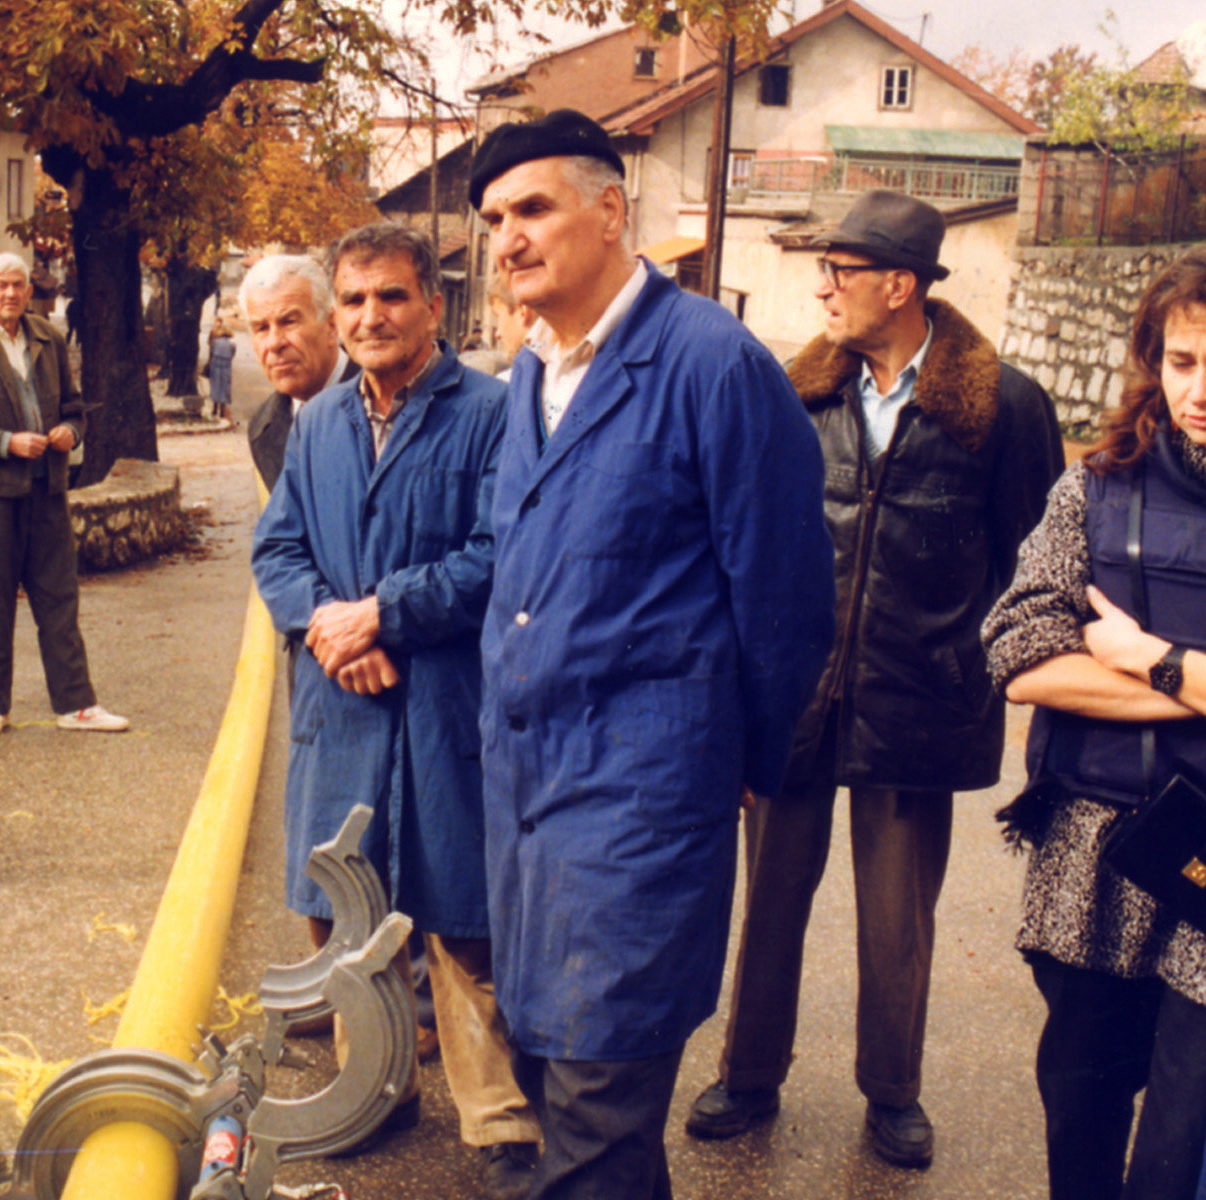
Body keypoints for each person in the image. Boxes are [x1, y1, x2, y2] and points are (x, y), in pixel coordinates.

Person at [471, 109, 835, 1200]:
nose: (508, 238)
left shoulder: (714, 367)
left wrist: (719, 765)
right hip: (529, 808)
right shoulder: (530, 378)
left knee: (597, 1109)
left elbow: (786, 608)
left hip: (638, 809)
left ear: (610, 209)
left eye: (532, 208)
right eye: (494, 217)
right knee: (547, 1072)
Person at [685, 190, 1064, 1167]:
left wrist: (990, 674)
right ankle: (748, 1074)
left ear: (899, 287)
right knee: (768, 897)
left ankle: (893, 1092)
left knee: (900, 918)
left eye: (840, 273)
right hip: (796, 691)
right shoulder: (792, 392)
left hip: (924, 695)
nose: (822, 289)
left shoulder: (1006, 406)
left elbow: (1037, 563)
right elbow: (748, 544)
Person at [252, 223, 540, 1200]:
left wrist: (385, 615)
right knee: (348, 917)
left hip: (447, 707)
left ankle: (500, 1125)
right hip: (344, 711)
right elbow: (277, 553)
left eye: (391, 298)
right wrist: (329, 626)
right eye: (355, 301)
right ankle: (373, 1092)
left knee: (465, 927)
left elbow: (504, 555)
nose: (370, 317)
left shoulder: (497, 414)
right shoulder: (319, 422)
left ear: (433, 307)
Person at [981, 246, 1206, 1200]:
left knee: (1180, 1143)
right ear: (1154, 361)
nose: (1201, 388)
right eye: (1185, 360)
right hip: (1096, 852)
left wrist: (1149, 658)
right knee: (1078, 1119)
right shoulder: (1095, 488)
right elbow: (1021, 655)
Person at [0, 252, 127, 738]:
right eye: (1, 286)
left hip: (47, 490)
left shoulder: (48, 337)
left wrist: (69, 433)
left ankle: (76, 705)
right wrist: (4, 443)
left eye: (18, 285)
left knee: (60, 598)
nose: (12, 294)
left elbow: (76, 409)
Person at [241, 254, 352, 494]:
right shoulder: (263, 428)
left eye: (289, 321)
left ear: (331, 325)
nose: (274, 343)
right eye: (261, 328)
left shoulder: (386, 403)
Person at [207, 317, 236, 420]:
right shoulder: (232, 344)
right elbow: (232, 355)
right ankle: (222, 411)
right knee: (224, 386)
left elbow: (211, 352)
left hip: (215, 363)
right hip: (226, 365)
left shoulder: (215, 342)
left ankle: (214, 408)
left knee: (215, 385)